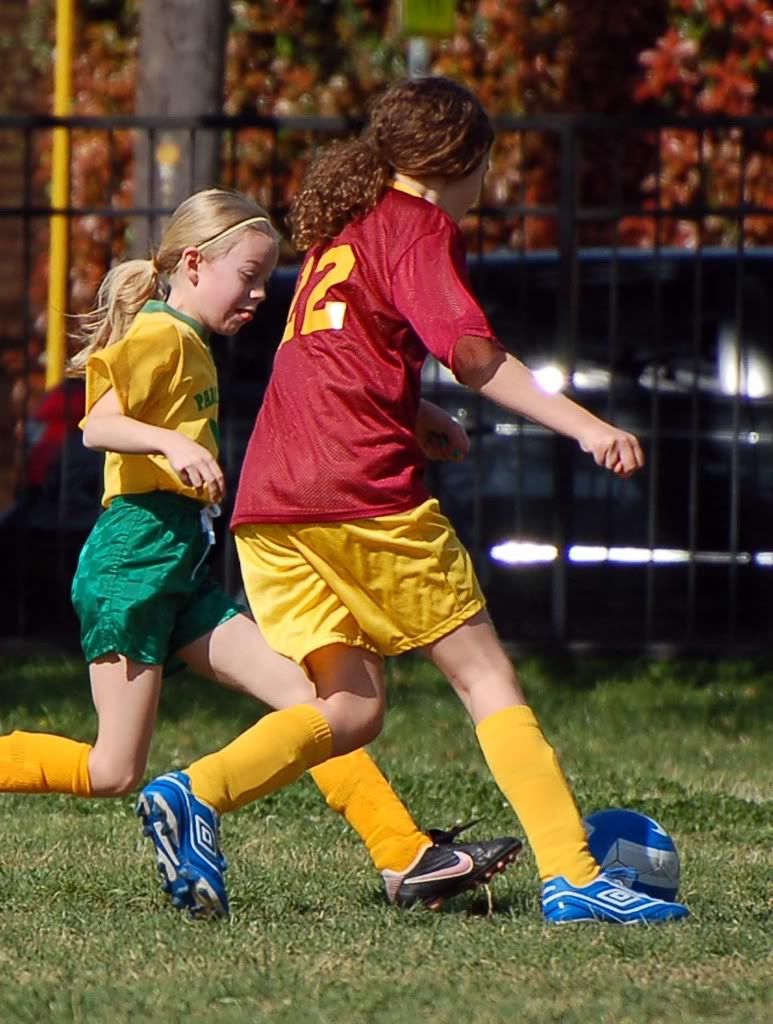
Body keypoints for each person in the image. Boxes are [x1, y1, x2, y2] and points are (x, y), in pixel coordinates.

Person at [0, 188, 520, 919]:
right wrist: (172, 442)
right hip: (131, 567)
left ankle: (404, 856)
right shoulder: (160, 335)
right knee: (114, 769)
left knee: (312, 706)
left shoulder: (192, 340)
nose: (255, 294)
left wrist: (418, 413)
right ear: (192, 263)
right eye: (245, 275)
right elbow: (99, 425)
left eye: (263, 279)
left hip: (175, 566)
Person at [227, 78, 689, 925]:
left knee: (344, 709)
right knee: (486, 680)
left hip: (272, 501)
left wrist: (415, 408)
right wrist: (584, 424)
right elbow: (474, 355)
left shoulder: (348, 227)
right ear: (463, 162)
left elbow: (334, 360)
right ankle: (573, 875)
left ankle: (193, 795)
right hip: (359, 490)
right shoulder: (416, 226)